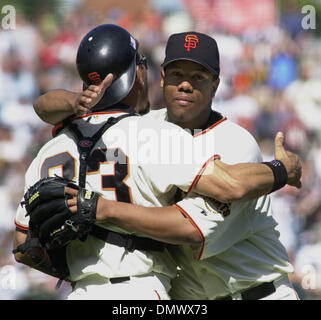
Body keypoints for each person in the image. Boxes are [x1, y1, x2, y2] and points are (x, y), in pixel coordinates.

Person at [14, 26, 301, 300]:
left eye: (198, 77)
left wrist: (281, 170)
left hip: (258, 290)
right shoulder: (147, 128)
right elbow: (43, 107)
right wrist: (75, 100)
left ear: (216, 84)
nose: (185, 85)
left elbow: (192, 229)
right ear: (159, 78)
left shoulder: (235, 143)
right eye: (177, 74)